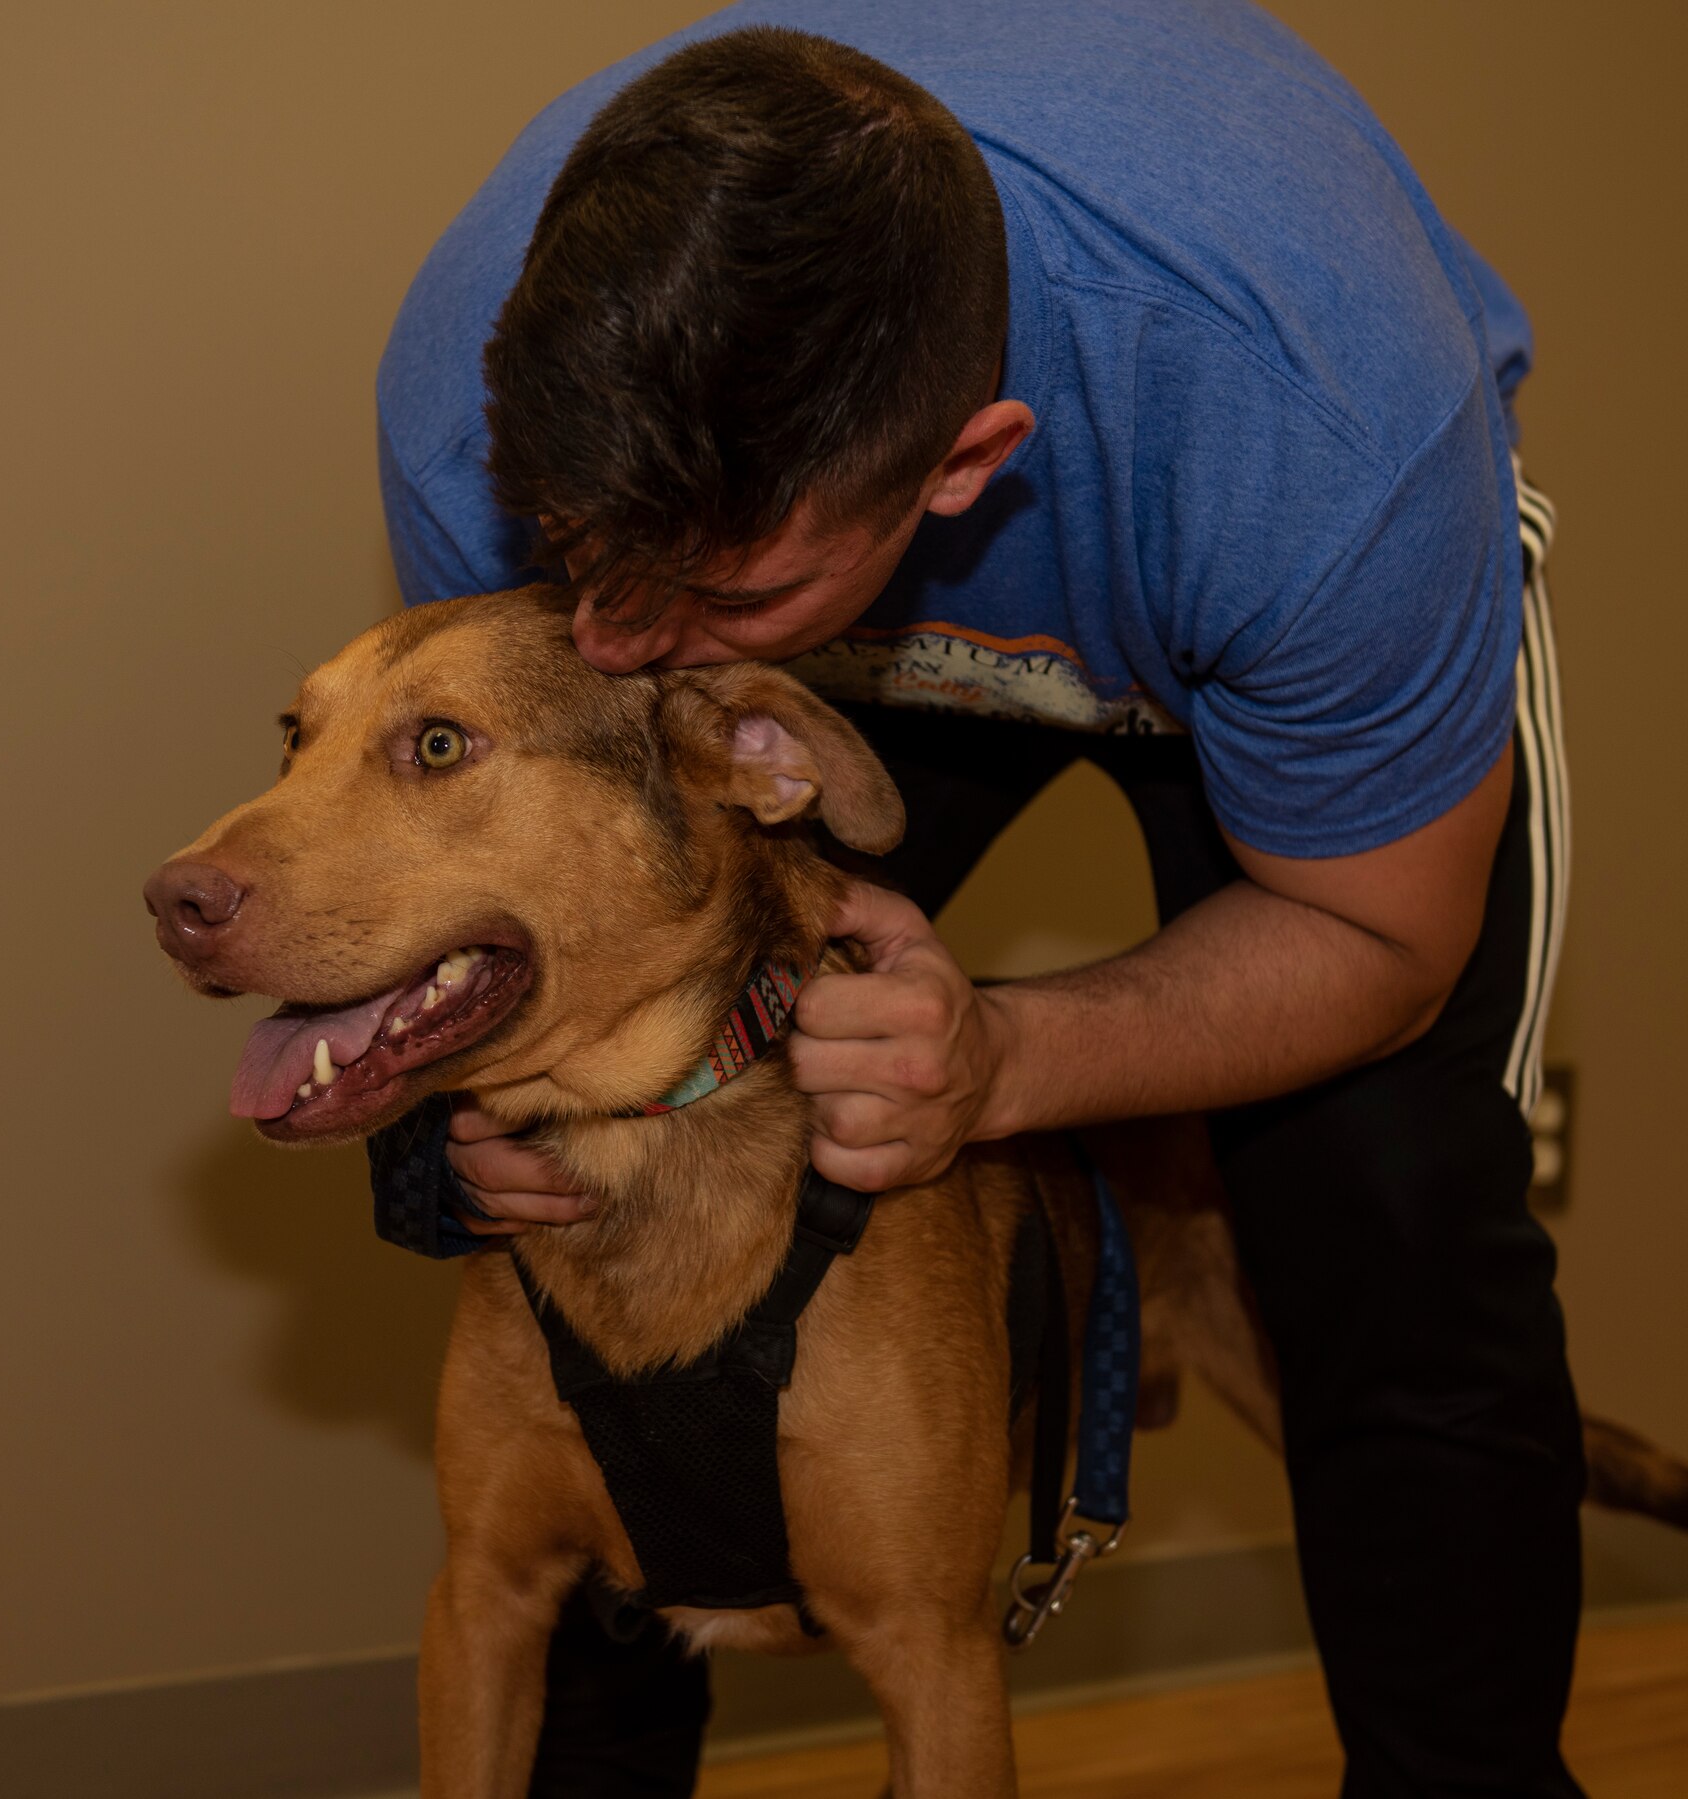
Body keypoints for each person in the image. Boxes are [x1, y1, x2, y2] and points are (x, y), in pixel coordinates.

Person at [370, 4, 1584, 1794]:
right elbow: (501, 883)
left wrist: (1004, 1057)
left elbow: (1382, 944)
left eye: (704, 581)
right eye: (579, 557)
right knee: (596, 1240)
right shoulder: (471, 395)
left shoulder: (1323, 445)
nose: (613, 642)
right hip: (822, 653)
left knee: (1395, 1237)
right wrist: (447, 1131)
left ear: (961, 466)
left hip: (1240, 600)